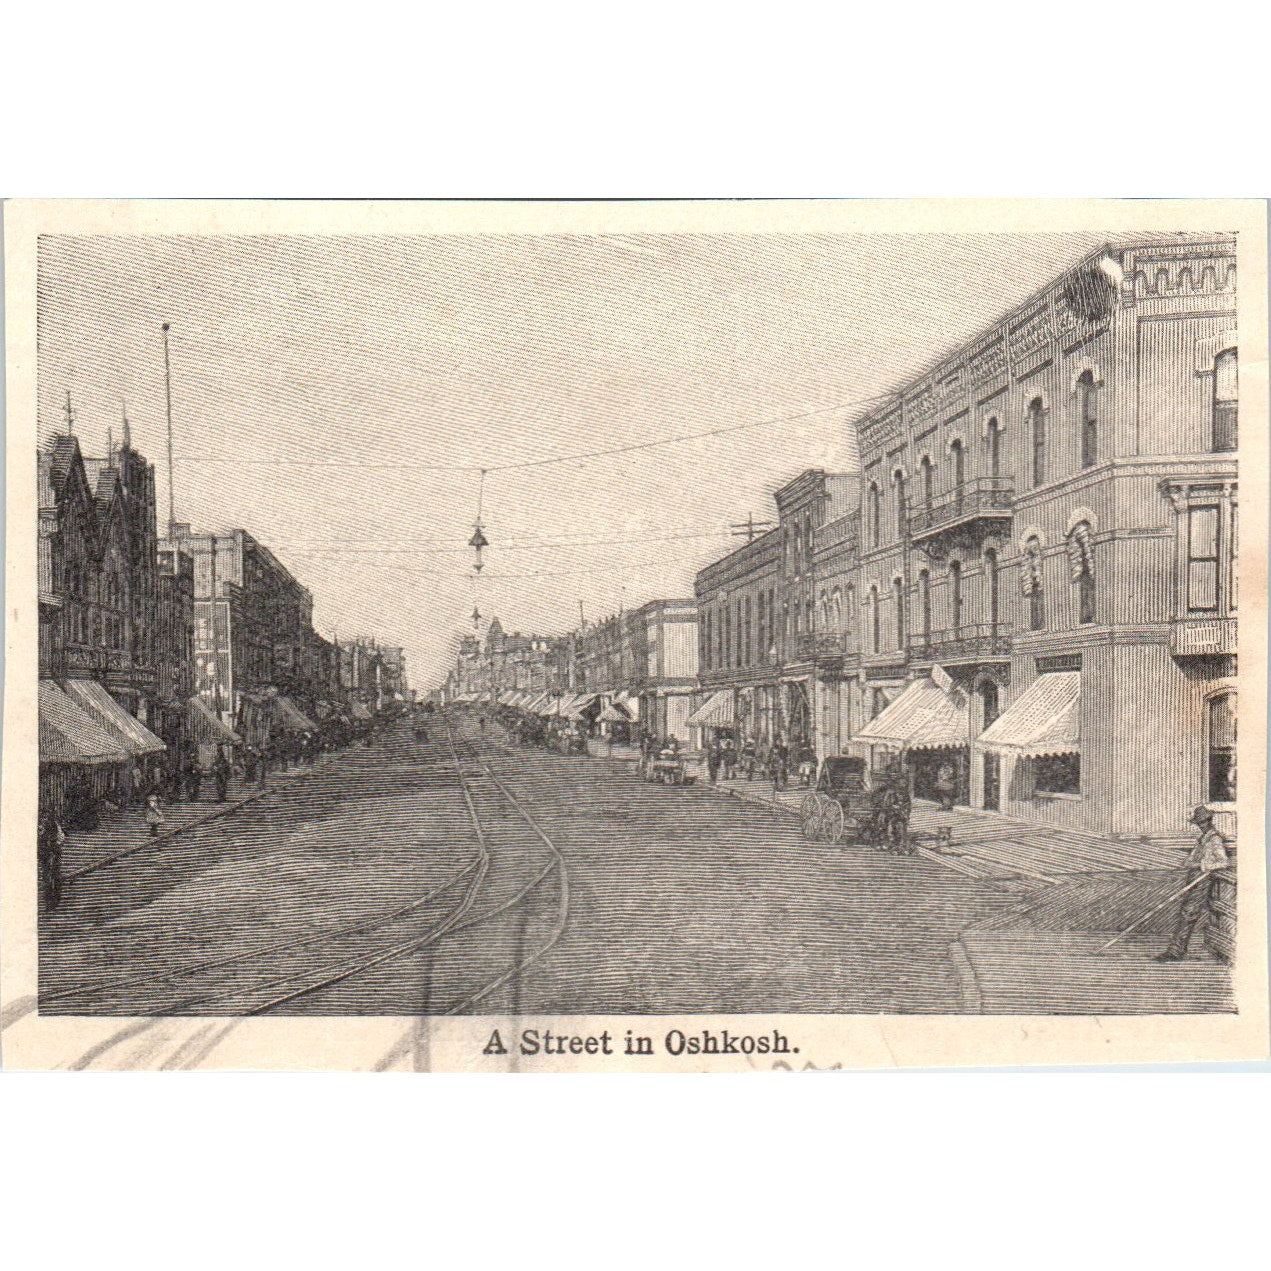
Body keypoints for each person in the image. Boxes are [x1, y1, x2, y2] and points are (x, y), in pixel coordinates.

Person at [1156, 806, 1232, 963]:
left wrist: (1202, 865)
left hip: (1202, 880)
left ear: (1209, 821)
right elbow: (1190, 860)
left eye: (1203, 822)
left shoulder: (1214, 839)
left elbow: (1223, 862)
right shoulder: (1203, 839)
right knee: (1185, 913)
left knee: (1188, 913)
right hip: (1193, 879)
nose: (1201, 825)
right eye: (1199, 823)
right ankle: (1176, 949)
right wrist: (1190, 863)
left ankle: (1175, 952)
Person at [38, 810, 65, 912]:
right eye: (42, 817)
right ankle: (49, 900)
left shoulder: (54, 825)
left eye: (45, 817)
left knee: (54, 874)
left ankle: (56, 897)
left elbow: (61, 836)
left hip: (53, 852)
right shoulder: (39, 827)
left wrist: (56, 846)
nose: (43, 819)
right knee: (47, 877)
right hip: (45, 854)